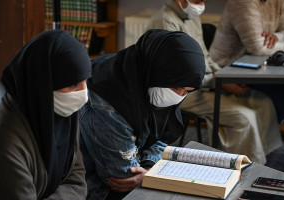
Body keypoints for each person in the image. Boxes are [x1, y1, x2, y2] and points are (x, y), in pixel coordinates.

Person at [145, 0, 282, 164]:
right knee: (244, 117)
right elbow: (178, 76)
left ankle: (261, 159)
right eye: (197, 1)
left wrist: (224, 76)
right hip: (178, 91)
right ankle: (242, 167)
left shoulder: (191, 16)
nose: (201, 5)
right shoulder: (165, 21)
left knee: (263, 104)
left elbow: (205, 57)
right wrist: (218, 83)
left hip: (205, 82)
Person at [78, 29, 205, 200]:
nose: (179, 96)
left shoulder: (151, 77)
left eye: (187, 91)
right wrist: (149, 175)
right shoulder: (106, 100)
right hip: (96, 188)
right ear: (158, 70)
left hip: (133, 169)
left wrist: (149, 168)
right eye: (176, 88)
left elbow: (161, 137)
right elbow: (122, 177)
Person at [0, 30, 91, 199]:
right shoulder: (3, 144)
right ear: (43, 84)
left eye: (86, 81)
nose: (84, 94)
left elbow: (77, 180)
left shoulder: (62, 113)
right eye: (73, 85)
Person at [209, 0, 284, 121]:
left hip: (259, 65)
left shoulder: (277, 2)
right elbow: (257, 47)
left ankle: (261, 134)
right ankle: (258, 135)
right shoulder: (241, 3)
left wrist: (277, 36)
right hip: (229, 68)